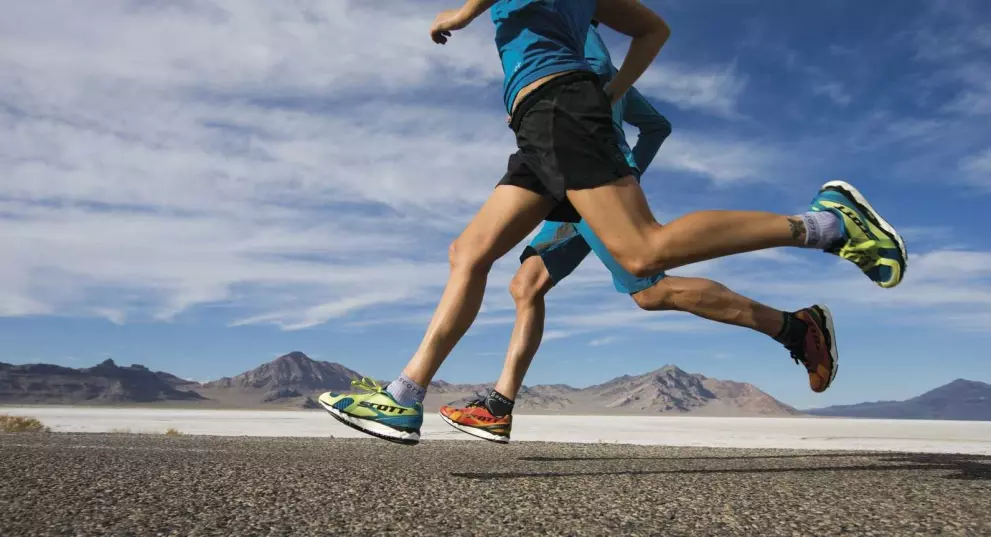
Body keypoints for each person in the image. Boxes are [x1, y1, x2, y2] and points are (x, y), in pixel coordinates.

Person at [319, 0, 906, 445]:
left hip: (561, 116)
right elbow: (655, 30)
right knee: (470, 253)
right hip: (542, 130)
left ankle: (827, 225)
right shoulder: (583, 18)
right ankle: (406, 395)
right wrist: (610, 99)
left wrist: (462, 14)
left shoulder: (581, 46)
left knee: (643, 255)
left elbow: (648, 61)